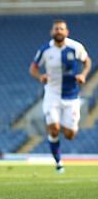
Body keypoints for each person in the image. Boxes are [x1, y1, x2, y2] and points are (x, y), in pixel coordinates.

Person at [29, 19, 91, 173]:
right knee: (54, 128)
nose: (59, 31)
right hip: (52, 94)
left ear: (66, 32)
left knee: (70, 134)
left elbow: (87, 61)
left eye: (61, 29)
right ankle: (58, 163)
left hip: (71, 96)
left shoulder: (75, 47)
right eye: (56, 29)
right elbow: (33, 68)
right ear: (52, 32)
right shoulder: (45, 50)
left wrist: (83, 74)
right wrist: (40, 77)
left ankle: (61, 125)